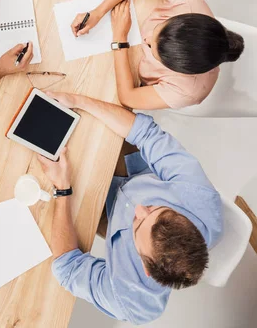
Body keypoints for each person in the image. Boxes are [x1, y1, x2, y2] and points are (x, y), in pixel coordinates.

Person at [38, 92, 223, 324]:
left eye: (137, 225)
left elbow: (67, 267)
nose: (138, 210)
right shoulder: (199, 199)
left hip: (108, 213)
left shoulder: (131, 300)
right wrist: (78, 101)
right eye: (155, 208)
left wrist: (62, 188)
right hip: (136, 170)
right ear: (186, 218)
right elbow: (145, 133)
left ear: (145, 267)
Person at [71, 0, 244, 109]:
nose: (146, 39)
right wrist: (98, 11)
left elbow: (128, 98)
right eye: (157, 31)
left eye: (153, 50)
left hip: (128, 64)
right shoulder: (190, 4)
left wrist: (120, 38)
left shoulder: (188, 91)